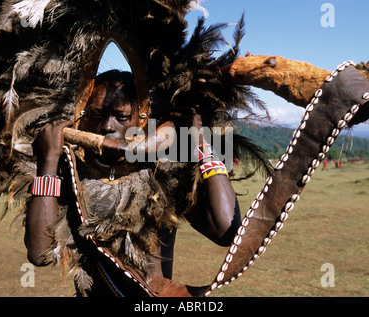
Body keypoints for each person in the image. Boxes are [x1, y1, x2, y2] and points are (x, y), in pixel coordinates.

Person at [24, 70, 241, 297]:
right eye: (98, 114)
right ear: (84, 117)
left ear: (141, 119)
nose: (108, 126)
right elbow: (40, 253)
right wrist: (49, 160)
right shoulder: (71, 172)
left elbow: (226, 231)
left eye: (121, 116)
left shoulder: (162, 171)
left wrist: (201, 139)